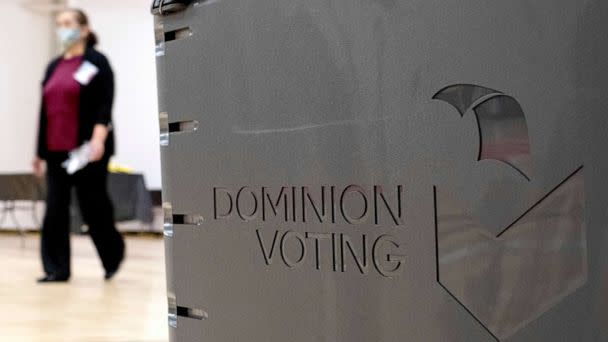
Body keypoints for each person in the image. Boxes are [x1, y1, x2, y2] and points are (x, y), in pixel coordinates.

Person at [32, 8, 125, 283]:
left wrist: (98, 140)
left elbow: (104, 106)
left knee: (93, 208)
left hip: (87, 151)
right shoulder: (54, 66)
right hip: (55, 150)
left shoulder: (97, 62)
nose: (63, 28)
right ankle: (56, 269)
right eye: (59, 24)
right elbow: (45, 111)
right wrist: (39, 152)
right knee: (54, 210)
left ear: (84, 29)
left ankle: (112, 256)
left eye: (68, 23)